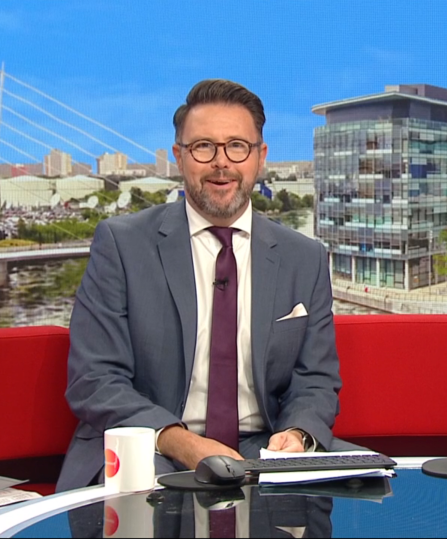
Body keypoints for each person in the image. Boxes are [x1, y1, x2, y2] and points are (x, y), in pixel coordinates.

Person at [57, 79, 356, 492]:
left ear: (260, 157)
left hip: (262, 454)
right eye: (203, 147)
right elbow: (94, 379)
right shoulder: (121, 244)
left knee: (371, 491)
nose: (222, 163)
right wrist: (182, 442)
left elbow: (316, 381)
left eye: (237, 146)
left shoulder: (303, 257)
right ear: (180, 157)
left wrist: (299, 435)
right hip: (153, 451)